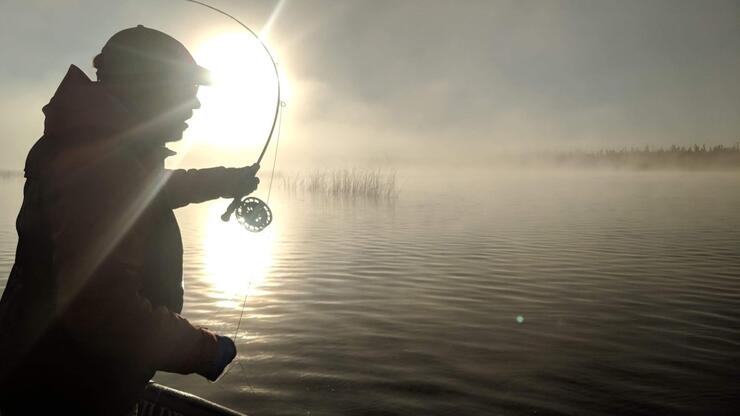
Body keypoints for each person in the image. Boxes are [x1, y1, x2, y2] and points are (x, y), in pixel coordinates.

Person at [0, 25, 259, 415]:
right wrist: (206, 349)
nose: (195, 105)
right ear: (148, 87)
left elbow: (147, 191)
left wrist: (223, 180)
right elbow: (104, 312)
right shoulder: (103, 165)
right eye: (185, 90)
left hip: (51, 371)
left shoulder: (101, 150)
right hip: (65, 388)